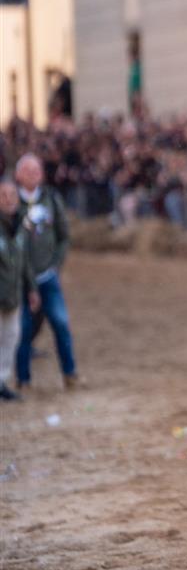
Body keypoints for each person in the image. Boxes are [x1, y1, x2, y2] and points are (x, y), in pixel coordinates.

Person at [14, 154, 79, 390]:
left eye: (37, 170)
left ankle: (70, 373)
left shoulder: (51, 198)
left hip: (48, 276)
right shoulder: (11, 202)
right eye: (28, 171)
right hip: (21, 280)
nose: (34, 175)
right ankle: (23, 380)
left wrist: (56, 264)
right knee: (23, 329)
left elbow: (64, 235)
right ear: (18, 175)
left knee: (60, 323)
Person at [0, 179, 40, 400]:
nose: (8, 199)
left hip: (13, 295)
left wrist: (32, 288)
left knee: (10, 339)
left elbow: (24, 261)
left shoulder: (21, 226)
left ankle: (1, 382)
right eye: (3, 195)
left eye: (12, 195)